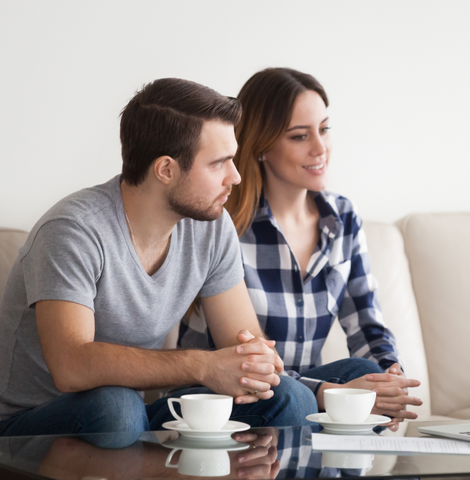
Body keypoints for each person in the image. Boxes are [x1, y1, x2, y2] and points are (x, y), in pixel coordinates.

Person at [0, 78, 317, 438]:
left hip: (127, 423)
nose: (235, 177)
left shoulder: (211, 227)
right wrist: (203, 366)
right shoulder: (72, 230)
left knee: (289, 399)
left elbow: (241, 346)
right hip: (21, 431)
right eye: (220, 163)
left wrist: (258, 366)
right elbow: (71, 367)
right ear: (166, 170)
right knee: (116, 408)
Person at [179, 68, 422, 428]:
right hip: (230, 395)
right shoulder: (222, 225)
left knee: (367, 372)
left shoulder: (341, 218)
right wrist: (324, 391)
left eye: (324, 129)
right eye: (299, 136)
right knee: (290, 397)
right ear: (261, 146)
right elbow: (242, 361)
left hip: (298, 393)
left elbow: (367, 325)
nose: (320, 148)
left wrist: (390, 378)